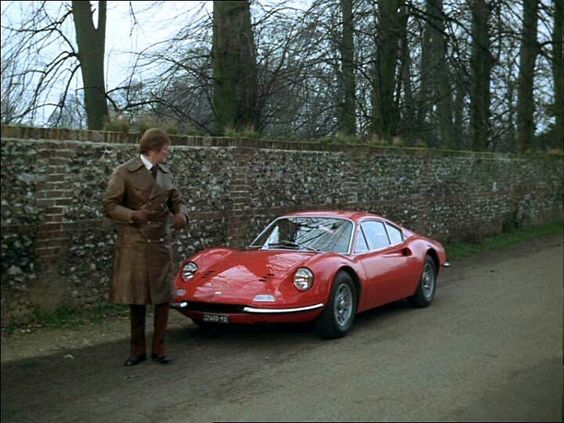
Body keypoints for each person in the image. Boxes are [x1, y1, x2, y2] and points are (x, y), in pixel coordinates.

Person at [103, 128, 188, 366]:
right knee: (137, 298)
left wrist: (181, 215)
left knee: (163, 298)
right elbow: (109, 205)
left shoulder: (166, 173)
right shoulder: (124, 172)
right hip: (136, 243)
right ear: (153, 150)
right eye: (165, 150)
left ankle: (160, 348)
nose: (168, 154)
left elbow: (177, 201)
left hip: (160, 243)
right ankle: (137, 350)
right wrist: (132, 215)